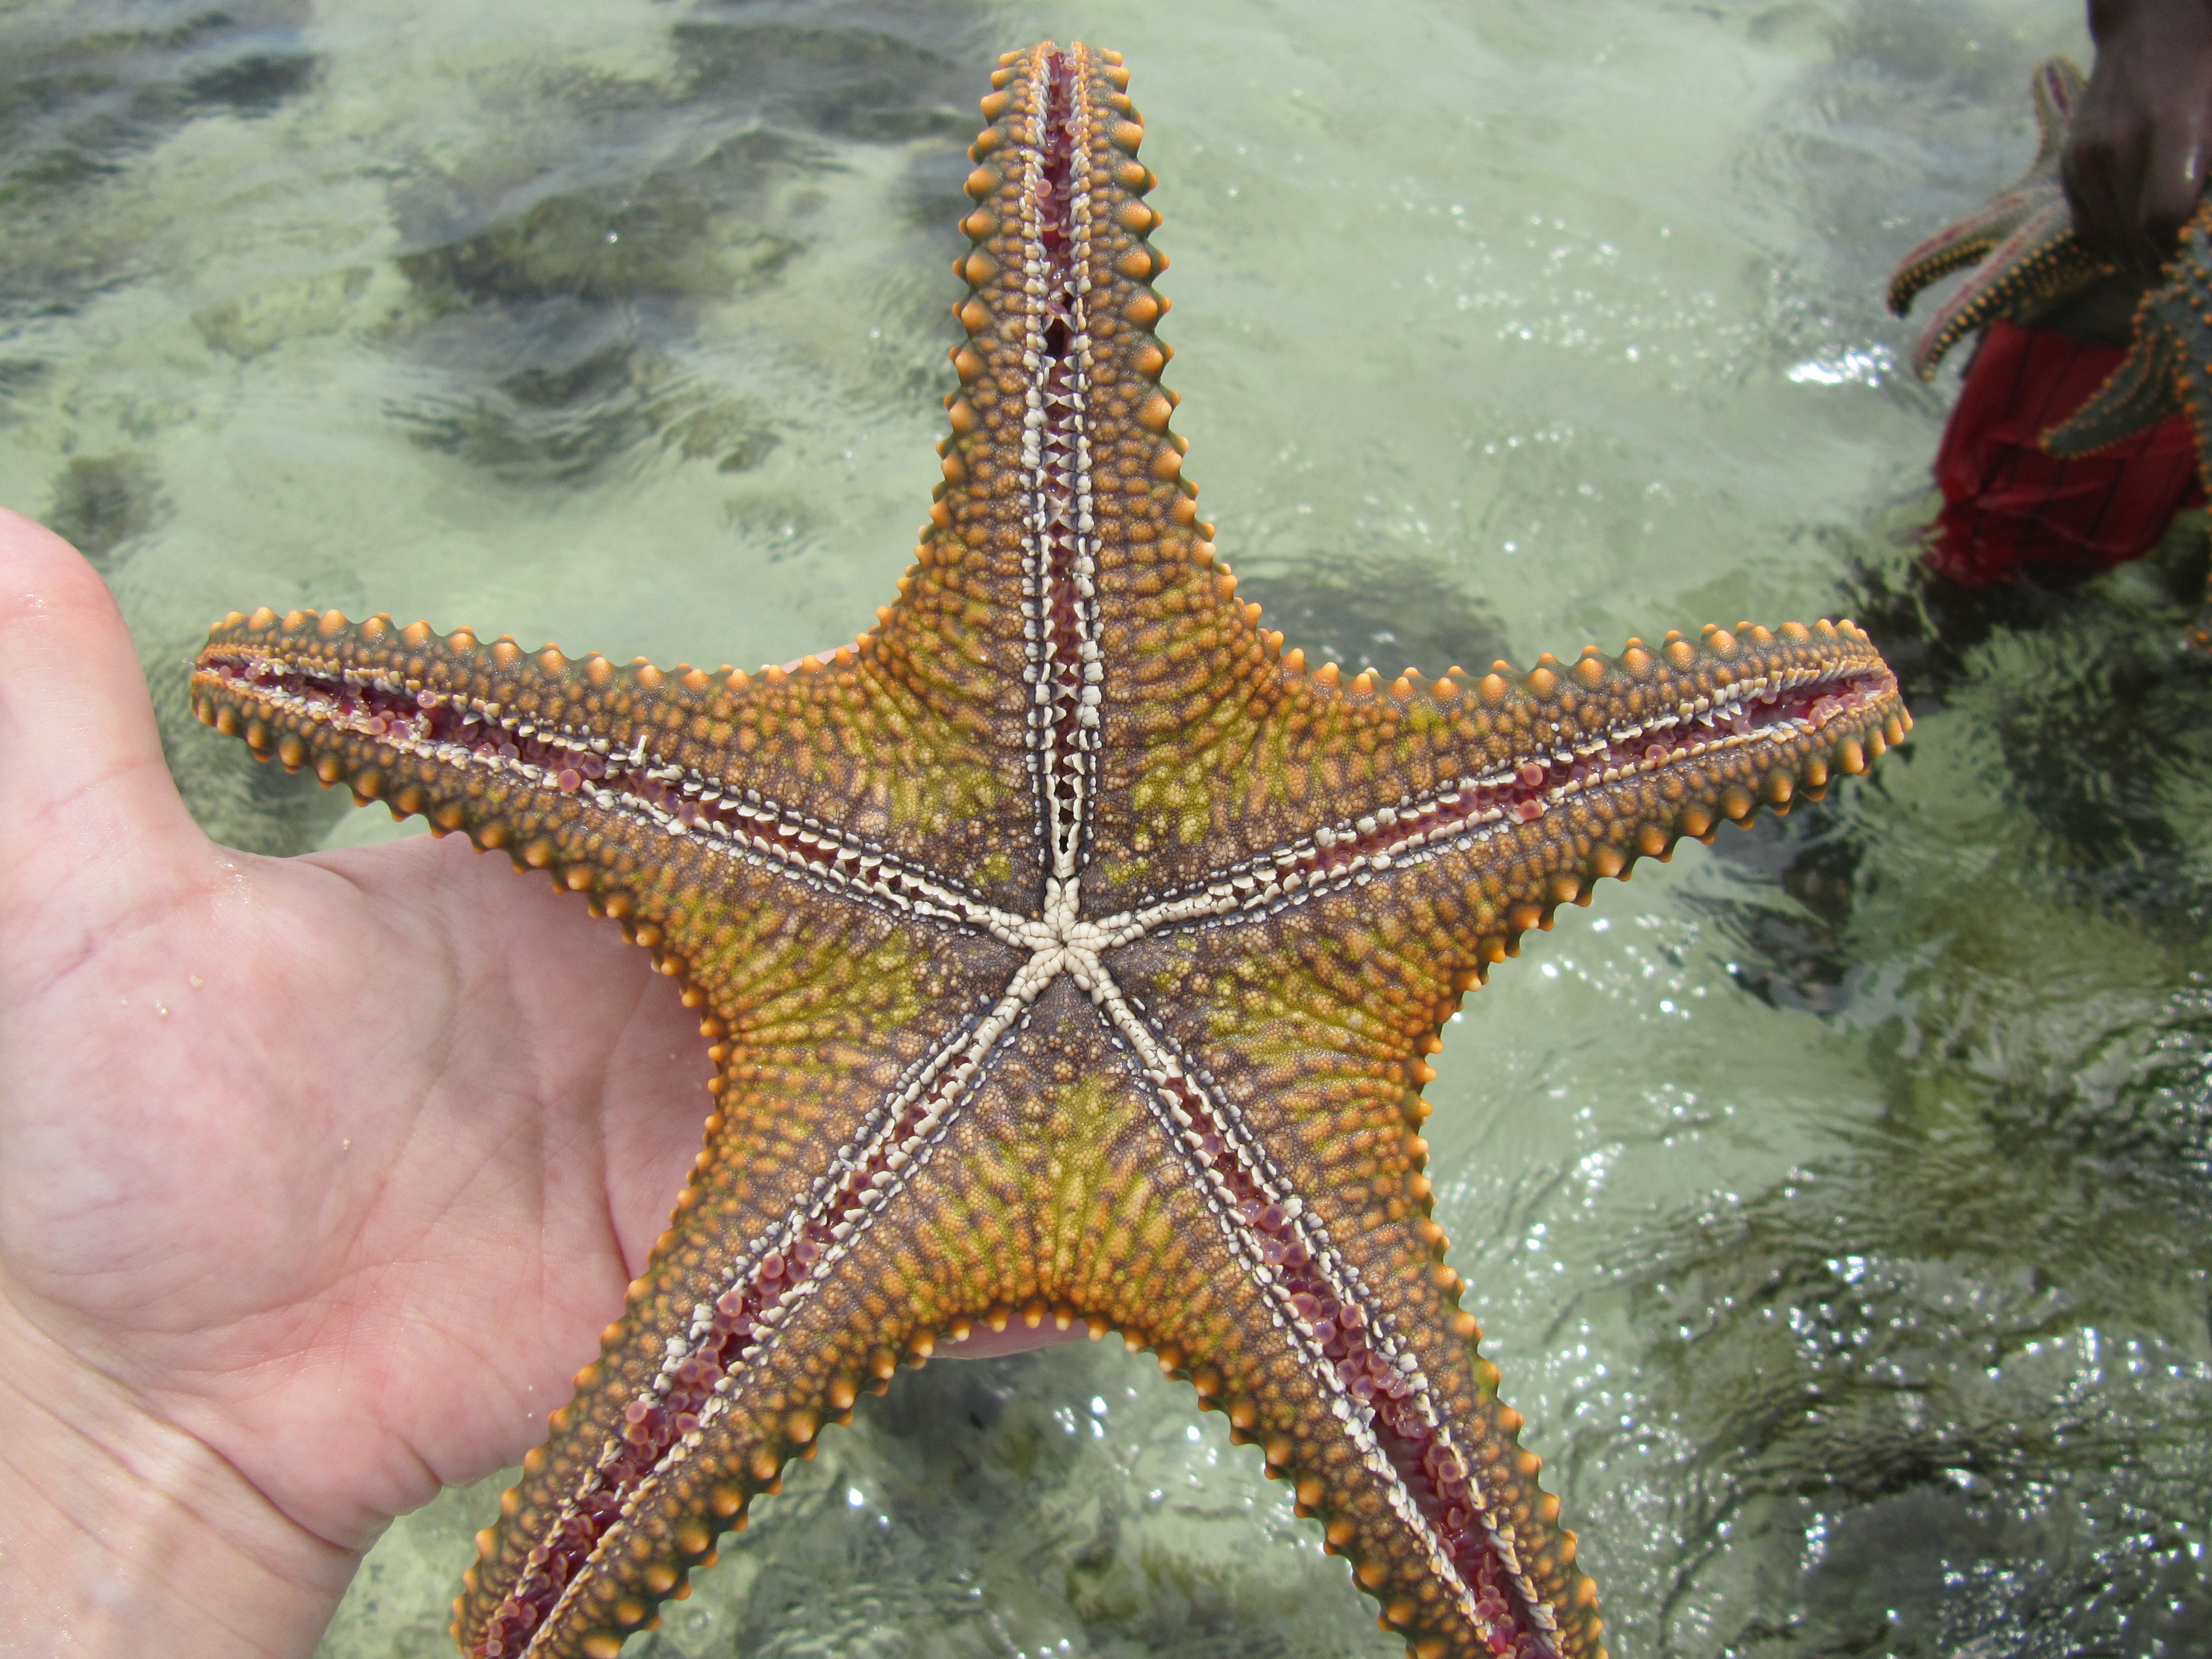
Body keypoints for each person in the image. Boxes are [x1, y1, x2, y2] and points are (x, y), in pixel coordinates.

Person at [4, 5, 2210, 1652]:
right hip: (1102, 1095)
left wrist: (147, 1471)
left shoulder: (1008, 738)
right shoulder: (1256, 821)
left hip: (961, 1082)